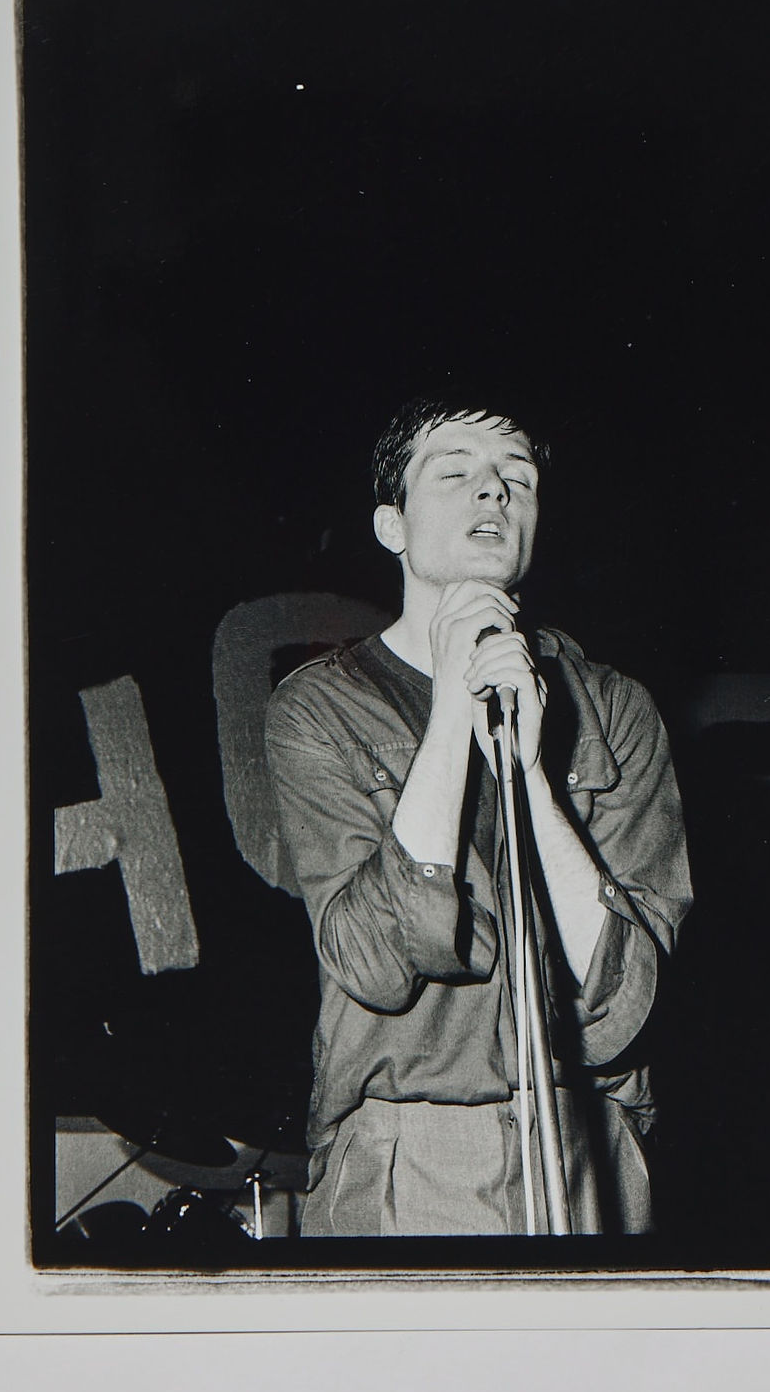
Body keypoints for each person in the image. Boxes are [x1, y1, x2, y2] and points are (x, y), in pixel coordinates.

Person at [263, 398, 692, 1236]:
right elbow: (375, 961)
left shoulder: (615, 708)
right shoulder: (319, 709)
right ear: (392, 524)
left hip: (587, 1142)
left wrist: (531, 773)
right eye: (455, 472)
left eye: (517, 480)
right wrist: (451, 718)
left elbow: (626, 998)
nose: (493, 493)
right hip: (406, 1142)